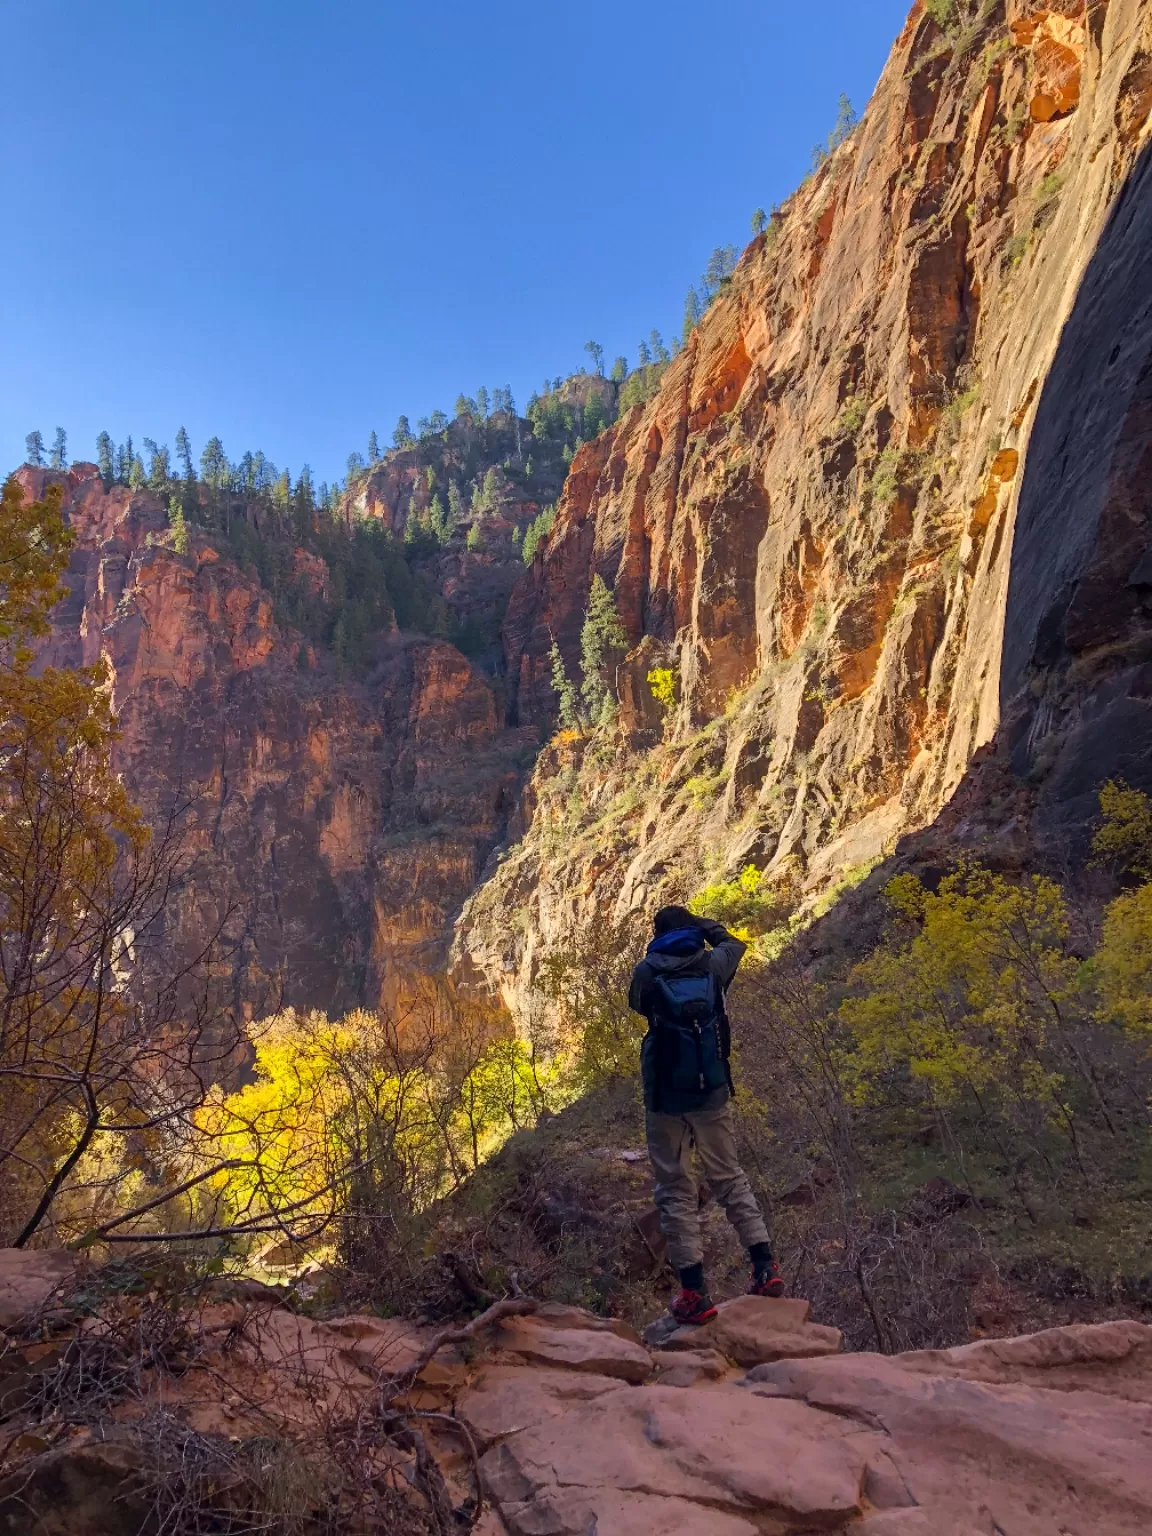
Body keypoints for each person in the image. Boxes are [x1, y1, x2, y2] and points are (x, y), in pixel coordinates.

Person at [628, 904, 784, 1324]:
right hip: (712, 1089)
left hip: (664, 1097)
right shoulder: (714, 965)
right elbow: (736, 943)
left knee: (676, 1189)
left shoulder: (647, 972)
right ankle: (765, 1267)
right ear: (691, 930)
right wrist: (705, 927)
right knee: (730, 1178)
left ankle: (695, 1293)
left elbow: (638, 1008)